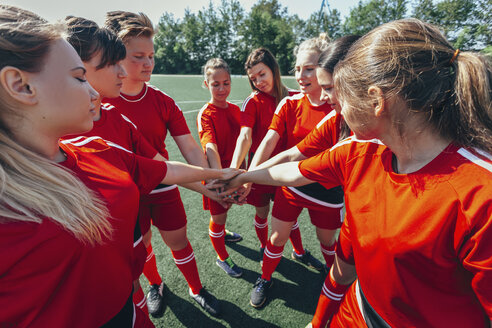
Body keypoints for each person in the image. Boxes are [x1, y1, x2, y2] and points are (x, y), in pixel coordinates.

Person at [218, 19, 492, 327]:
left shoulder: (481, 196)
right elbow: (294, 169)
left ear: (375, 100)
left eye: (338, 93)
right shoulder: (358, 151)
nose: (333, 105)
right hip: (355, 311)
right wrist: (243, 176)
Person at [0, 6, 239, 327]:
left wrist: (220, 181)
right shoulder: (16, 200)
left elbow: (165, 168)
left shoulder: (98, 148)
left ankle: (192, 288)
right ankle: (155, 286)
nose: (125, 72)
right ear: (20, 85)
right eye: (79, 76)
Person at [63, 17, 229, 319]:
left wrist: (212, 184)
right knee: (141, 246)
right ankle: (156, 284)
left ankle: (196, 288)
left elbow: (180, 154)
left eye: (151, 56)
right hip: (124, 195)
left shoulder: (151, 105)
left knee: (177, 239)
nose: (146, 63)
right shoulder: (82, 116)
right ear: (116, 57)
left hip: (161, 181)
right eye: (137, 57)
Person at [247, 35, 360, 316]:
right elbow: (269, 142)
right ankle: (266, 278)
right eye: (297, 69)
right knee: (276, 239)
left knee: (328, 243)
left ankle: (337, 285)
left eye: (309, 68)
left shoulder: (343, 109)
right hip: (292, 185)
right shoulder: (288, 104)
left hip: (327, 190)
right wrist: (249, 176)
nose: (301, 75)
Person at [230, 48, 317, 267]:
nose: (259, 81)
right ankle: (263, 247)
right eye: (254, 78)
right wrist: (234, 169)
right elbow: (245, 136)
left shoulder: (294, 97)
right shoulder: (252, 102)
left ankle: (298, 251)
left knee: (289, 217)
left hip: (287, 170)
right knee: (262, 213)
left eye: (262, 74)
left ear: (274, 70)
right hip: (260, 170)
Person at [197, 58, 245, 278]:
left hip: (233, 173)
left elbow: (245, 140)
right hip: (218, 177)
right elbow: (210, 146)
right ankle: (221, 257)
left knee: (227, 210)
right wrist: (220, 177)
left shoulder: (235, 109)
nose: (222, 88)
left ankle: (223, 233)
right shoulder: (206, 113)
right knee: (219, 216)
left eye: (226, 83)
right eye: (216, 84)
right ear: (206, 85)